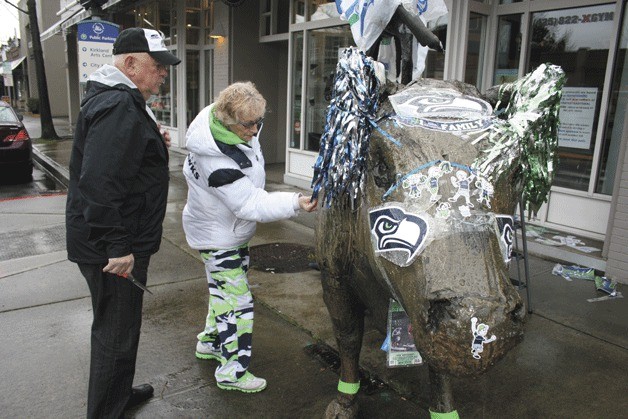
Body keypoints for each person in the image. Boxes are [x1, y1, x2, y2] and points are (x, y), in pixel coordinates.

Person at [65, 27, 181, 418]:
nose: (164, 73)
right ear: (130, 64)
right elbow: (99, 183)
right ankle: (106, 410)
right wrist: (117, 247)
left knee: (122, 326)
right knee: (116, 332)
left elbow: (118, 161)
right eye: (158, 65)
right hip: (111, 247)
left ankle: (118, 392)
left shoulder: (121, 100)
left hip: (114, 238)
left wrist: (151, 142)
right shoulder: (118, 105)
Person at [182, 82, 317, 393]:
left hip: (222, 229)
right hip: (219, 237)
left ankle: (210, 342)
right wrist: (295, 202)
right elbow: (250, 204)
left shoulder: (217, 122)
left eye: (260, 121)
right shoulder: (216, 161)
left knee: (224, 292)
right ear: (229, 120)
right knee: (237, 303)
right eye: (249, 124)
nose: (256, 130)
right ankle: (232, 372)